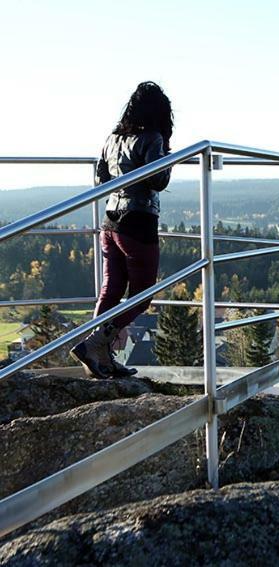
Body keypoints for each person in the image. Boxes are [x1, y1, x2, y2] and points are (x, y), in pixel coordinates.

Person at [71, 82, 173, 379]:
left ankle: (100, 355)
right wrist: (167, 155)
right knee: (142, 295)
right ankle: (95, 345)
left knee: (111, 290)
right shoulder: (152, 138)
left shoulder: (112, 138)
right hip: (138, 221)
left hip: (110, 220)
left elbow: (102, 177)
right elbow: (158, 181)